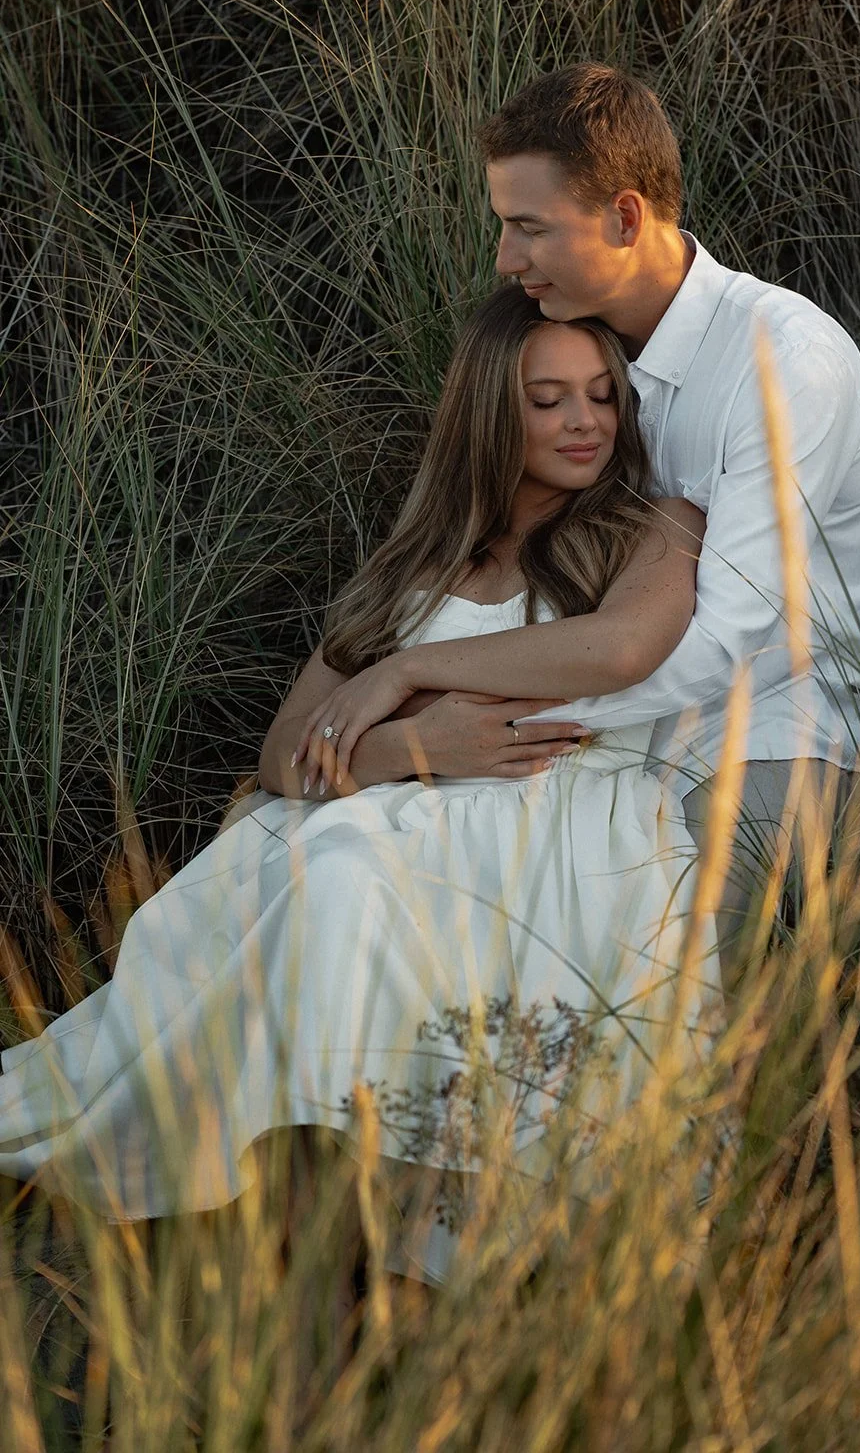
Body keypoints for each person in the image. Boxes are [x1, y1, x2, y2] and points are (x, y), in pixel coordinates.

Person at [0, 285, 719, 1295]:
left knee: (344, 881)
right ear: (489, 414)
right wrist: (406, 745)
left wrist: (399, 676)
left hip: (555, 830)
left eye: (602, 395)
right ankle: (288, 1228)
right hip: (391, 818)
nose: (584, 422)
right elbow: (287, 749)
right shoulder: (420, 564)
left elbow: (624, 643)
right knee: (324, 871)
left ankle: (393, 1264)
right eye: (548, 399)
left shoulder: (650, 527)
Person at [297, 64, 860, 997]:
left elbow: (722, 645)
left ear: (622, 217)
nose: (504, 256)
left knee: (647, 982)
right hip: (590, 735)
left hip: (759, 734)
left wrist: (444, 703)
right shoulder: (582, 351)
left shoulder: (784, 359)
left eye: (528, 226)